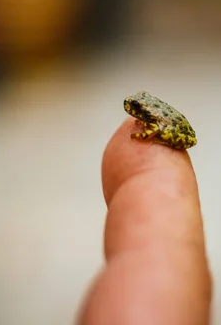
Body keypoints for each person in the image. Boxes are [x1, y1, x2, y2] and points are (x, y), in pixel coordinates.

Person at [77, 118, 213, 325]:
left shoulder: (153, 121)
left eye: (137, 108)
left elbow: (147, 134)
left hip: (180, 132)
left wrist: (142, 136)